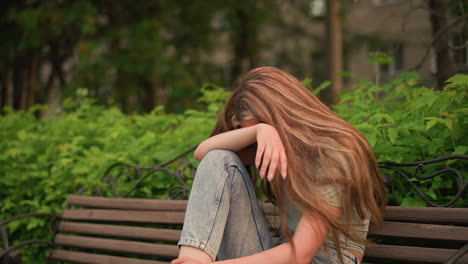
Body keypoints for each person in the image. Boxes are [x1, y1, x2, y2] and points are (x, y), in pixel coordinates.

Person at [171, 67, 386, 264]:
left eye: (259, 127)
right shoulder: (273, 144)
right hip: (281, 251)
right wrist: (259, 131)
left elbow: (301, 255)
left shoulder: (334, 153)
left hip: (323, 259)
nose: (257, 145)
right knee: (219, 159)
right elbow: (204, 153)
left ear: (282, 116)